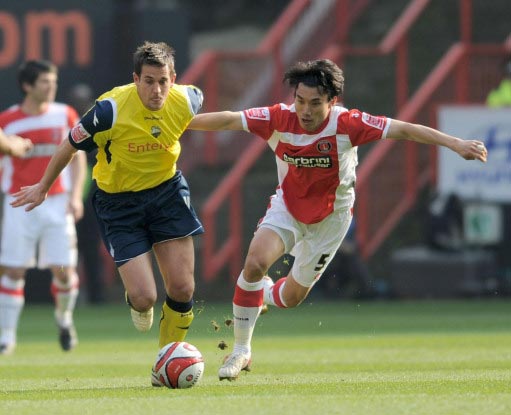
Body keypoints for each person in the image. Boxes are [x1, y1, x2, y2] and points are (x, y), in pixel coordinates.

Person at [186, 59, 488, 381]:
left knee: (291, 299)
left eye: (315, 103)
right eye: (300, 100)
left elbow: (404, 129)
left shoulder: (347, 124)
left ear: (332, 101)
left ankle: (266, 294)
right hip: (288, 208)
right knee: (255, 263)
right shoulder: (277, 118)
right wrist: (179, 124)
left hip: (331, 221)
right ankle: (241, 351)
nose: (305, 110)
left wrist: (456, 143)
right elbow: (229, 120)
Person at [11, 42, 205, 381]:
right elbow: (69, 145)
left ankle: (163, 363)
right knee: (145, 297)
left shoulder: (189, 98)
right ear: (136, 79)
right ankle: (138, 303)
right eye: (148, 81)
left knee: (182, 288)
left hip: (167, 194)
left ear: (173, 79)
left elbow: (202, 120)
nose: (156, 90)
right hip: (119, 204)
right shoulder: (108, 110)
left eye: (163, 81)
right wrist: (43, 186)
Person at [0, 60, 86, 355]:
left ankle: (64, 318)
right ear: (27, 86)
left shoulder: (65, 114)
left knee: (64, 272)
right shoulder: (8, 120)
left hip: (57, 201)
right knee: (13, 270)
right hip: (19, 203)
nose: (51, 87)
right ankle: (6, 337)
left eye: (53, 81)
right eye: (44, 82)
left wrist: (76, 196)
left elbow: (78, 156)